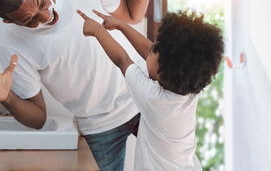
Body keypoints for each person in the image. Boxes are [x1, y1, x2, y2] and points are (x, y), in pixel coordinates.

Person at [0, 0, 180, 171]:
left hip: (143, 99)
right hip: (99, 126)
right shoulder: (12, 46)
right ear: (9, 21)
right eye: (30, 20)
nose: (46, 16)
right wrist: (8, 98)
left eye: (41, 2)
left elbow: (132, 14)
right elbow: (38, 118)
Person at [76, 9, 224, 170]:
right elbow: (150, 54)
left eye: (154, 50)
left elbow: (122, 60)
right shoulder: (189, 90)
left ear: (165, 72)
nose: (150, 49)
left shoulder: (154, 98)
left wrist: (97, 30)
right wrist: (121, 25)